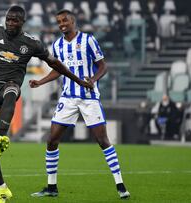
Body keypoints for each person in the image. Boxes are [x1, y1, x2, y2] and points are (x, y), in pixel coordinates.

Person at [0, 4, 93, 203]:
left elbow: (55, 64)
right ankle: (2, 189)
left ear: (22, 22)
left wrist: (78, 80)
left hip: (8, 86)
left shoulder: (31, 43)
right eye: (8, 19)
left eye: (15, 20)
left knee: (11, 91)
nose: (10, 23)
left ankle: (2, 136)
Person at [29, 9, 130, 199]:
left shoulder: (88, 40)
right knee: (51, 140)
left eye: (65, 20)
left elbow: (103, 66)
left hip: (89, 97)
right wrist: (40, 81)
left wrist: (93, 79)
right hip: (68, 97)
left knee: (103, 141)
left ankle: (121, 185)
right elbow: (59, 70)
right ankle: (52, 188)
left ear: (73, 21)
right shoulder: (57, 44)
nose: (62, 24)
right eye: (59, 21)